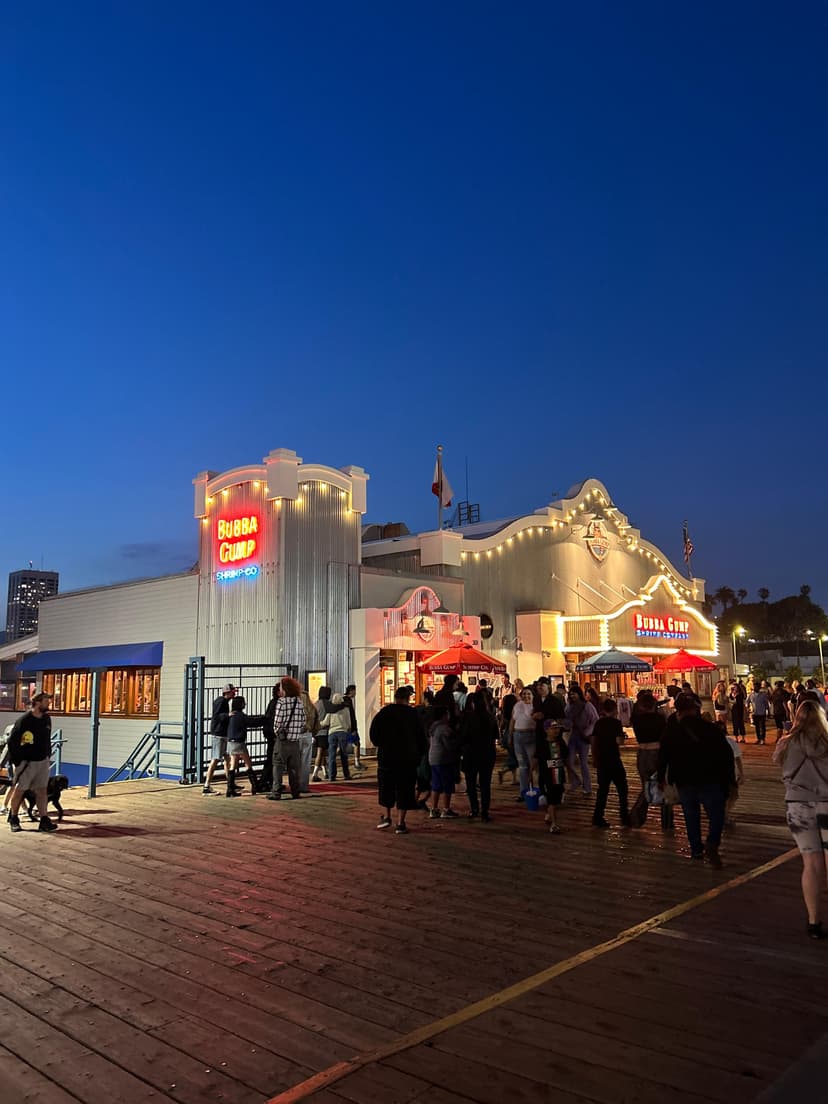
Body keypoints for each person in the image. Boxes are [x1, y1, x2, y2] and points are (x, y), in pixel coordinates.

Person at [658, 692, 734, 867]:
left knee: (691, 815)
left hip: (684, 779)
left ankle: (696, 849)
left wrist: (662, 777)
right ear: (696, 709)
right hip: (711, 778)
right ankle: (712, 844)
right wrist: (730, 779)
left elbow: (663, 756)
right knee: (716, 815)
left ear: (678, 711)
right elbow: (726, 755)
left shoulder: (671, 732)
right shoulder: (711, 729)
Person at [774, 700, 828, 938]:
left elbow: (778, 763)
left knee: (811, 863)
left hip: (797, 805)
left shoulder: (786, 743)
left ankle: (814, 921)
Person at [370, 685, 427, 833]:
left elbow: (374, 735)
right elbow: (422, 737)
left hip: (387, 757)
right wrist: (420, 753)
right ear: (408, 698)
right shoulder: (413, 714)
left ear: (395, 697)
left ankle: (387, 817)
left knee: (386, 788)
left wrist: (381, 744)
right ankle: (401, 823)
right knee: (405, 789)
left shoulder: (384, 713)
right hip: (407, 758)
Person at [6, 692, 57, 833]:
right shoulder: (24, 720)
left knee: (42, 791)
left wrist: (47, 755)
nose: (49, 704)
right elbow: (12, 741)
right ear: (38, 703)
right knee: (20, 790)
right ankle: (14, 818)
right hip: (27, 763)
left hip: (42, 761)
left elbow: (47, 738)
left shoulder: (46, 719)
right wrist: (18, 761)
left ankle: (44, 820)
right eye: (47, 701)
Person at [630, 690, 672, 831]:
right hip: (657, 752)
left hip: (642, 753)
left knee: (646, 785)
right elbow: (666, 736)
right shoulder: (659, 719)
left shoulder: (636, 719)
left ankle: (637, 816)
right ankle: (667, 822)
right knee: (663, 784)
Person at [591, 699, 630, 828]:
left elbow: (593, 740)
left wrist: (595, 757)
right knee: (622, 788)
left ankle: (598, 816)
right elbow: (619, 742)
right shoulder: (616, 723)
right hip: (613, 758)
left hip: (602, 759)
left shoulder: (598, 723)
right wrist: (622, 736)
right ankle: (624, 815)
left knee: (602, 790)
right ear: (614, 710)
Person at [267, 677, 308, 800]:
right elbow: (303, 720)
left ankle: (276, 792)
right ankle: (295, 791)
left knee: (278, 766)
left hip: (282, 741)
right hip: (295, 741)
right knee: (294, 768)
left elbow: (277, 722)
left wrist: (278, 732)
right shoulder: (299, 702)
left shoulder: (281, 702)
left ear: (284, 689)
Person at [460, 692, 499, 821]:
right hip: (487, 752)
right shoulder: (490, 717)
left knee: (471, 784)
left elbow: (463, 736)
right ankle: (485, 811)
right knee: (485, 784)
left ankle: (474, 809)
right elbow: (496, 736)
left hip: (471, 753)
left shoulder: (468, 717)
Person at [203, 683, 239, 795]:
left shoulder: (223, 701)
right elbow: (217, 716)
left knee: (227, 759)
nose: (234, 693)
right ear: (227, 692)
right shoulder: (221, 702)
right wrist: (228, 715)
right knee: (216, 759)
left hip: (222, 733)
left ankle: (230, 783)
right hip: (219, 734)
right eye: (233, 691)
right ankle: (206, 786)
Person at [225, 696, 264, 797]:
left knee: (233, 764)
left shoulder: (232, 715)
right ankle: (255, 786)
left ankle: (230, 788)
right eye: (244, 703)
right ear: (241, 704)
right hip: (239, 742)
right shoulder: (240, 716)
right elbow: (251, 722)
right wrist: (263, 719)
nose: (245, 704)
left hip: (231, 742)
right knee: (248, 763)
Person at [565, 685, 598, 797]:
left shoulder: (587, 705)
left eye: (574, 693)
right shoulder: (569, 706)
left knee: (583, 763)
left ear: (579, 694)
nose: (572, 695)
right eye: (571, 694)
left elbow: (595, 720)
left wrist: (588, 732)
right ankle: (576, 780)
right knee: (568, 760)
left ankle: (587, 787)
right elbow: (567, 719)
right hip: (573, 735)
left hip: (583, 736)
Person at [428, 705, 459, 818]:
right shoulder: (444, 729)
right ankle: (446, 809)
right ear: (443, 716)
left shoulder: (433, 727)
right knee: (447, 785)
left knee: (436, 785)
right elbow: (449, 745)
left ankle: (434, 808)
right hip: (444, 759)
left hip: (433, 758)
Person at [509, 686, 538, 797]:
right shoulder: (517, 705)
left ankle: (533, 789)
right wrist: (510, 735)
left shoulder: (535, 706)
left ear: (533, 695)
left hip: (530, 735)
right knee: (522, 765)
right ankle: (523, 791)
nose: (526, 696)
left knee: (533, 765)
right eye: (524, 694)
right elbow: (512, 720)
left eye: (529, 694)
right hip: (518, 736)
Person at [260, 682, 283, 794]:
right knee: (273, 760)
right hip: (273, 735)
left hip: (270, 734)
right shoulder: (277, 704)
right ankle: (265, 782)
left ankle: (269, 782)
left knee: (272, 759)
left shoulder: (272, 703)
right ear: (278, 692)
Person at [327, 692, 353, 781]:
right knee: (343, 754)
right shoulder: (346, 709)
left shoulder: (330, 710)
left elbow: (326, 722)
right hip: (343, 732)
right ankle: (346, 774)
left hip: (332, 733)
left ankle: (332, 776)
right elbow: (349, 723)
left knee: (332, 755)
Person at [311, 686, 333, 782]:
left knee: (322, 752)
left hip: (316, 732)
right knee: (320, 752)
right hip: (324, 731)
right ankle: (315, 774)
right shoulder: (328, 704)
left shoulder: (315, 704)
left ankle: (325, 772)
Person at [343, 684, 364, 771]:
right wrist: (353, 728)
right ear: (351, 691)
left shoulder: (344, 699)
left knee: (342, 745)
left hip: (345, 726)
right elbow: (350, 715)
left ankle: (331, 761)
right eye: (355, 691)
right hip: (350, 727)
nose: (355, 693)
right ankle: (356, 762)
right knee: (357, 743)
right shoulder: (348, 700)